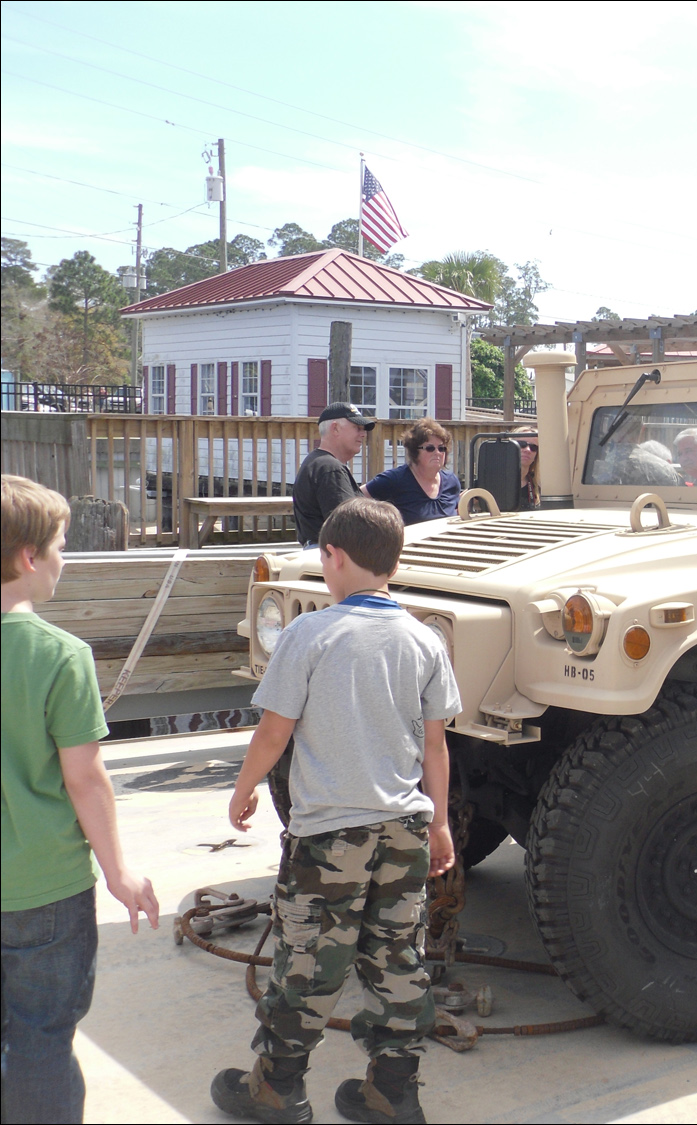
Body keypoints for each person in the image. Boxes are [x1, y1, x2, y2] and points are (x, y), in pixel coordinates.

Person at [210, 496, 461, 1125]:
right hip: (404, 828)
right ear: (395, 563)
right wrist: (440, 823)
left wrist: (243, 788)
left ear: (333, 557)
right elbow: (435, 746)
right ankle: (394, 1092)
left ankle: (277, 1088)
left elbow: (274, 733)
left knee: (308, 962)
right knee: (398, 956)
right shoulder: (424, 640)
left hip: (330, 836)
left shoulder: (309, 633)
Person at [2, 474, 160, 1125]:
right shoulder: (62, 656)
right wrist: (119, 871)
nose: (65, 557)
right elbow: (86, 779)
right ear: (28, 557)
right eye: (62, 544)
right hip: (45, 889)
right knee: (40, 1037)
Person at [291, 403, 375, 547]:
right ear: (335, 428)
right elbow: (347, 528)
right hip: (330, 556)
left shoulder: (316, 462)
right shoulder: (330, 469)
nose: (363, 434)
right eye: (357, 428)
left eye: (364, 430)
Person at [363, 418, 461, 525]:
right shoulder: (394, 480)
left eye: (441, 448)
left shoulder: (451, 481)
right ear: (415, 451)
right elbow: (356, 498)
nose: (437, 453)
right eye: (430, 448)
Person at [518, 437, 540, 509]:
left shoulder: (539, 484)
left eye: (533, 447)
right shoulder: (492, 480)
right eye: (521, 444)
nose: (528, 450)